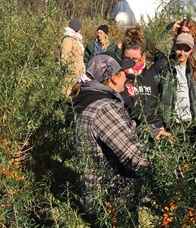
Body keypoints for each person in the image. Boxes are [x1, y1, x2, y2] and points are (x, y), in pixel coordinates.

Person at [73, 53, 151, 223]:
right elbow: (135, 157)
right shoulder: (104, 108)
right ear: (113, 78)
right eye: (123, 71)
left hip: (100, 199)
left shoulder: (89, 100)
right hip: (113, 201)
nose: (127, 75)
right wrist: (164, 169)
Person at [119, 26, 171, 141]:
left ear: (143, 57)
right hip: (127, 136)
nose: (130, 63)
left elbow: (154, 105)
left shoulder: (149, 75)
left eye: (135, 59)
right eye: (127, 58)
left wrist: (160, 127)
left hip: (152, 135)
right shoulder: (119, 77)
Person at [157, 33, 196, 137]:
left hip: (191, 124)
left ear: (191, 50)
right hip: (170, 125)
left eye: (186, 49)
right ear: (174, 47)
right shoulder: (164, 68)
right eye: (179, 48)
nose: (182, 53)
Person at [158, 18, 196, 85]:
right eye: (183, 32)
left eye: (188, 32)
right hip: (177, 84)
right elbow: (159, 46)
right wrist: (171, 29)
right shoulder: (175, 44)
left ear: (193, 32)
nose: (185, 34)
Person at [60, 18, 85, 96]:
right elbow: (64, 58)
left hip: (78, 74)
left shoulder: (76, 39)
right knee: (67, 94)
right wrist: (70, 72)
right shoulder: (68, 40)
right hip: (70, 75)